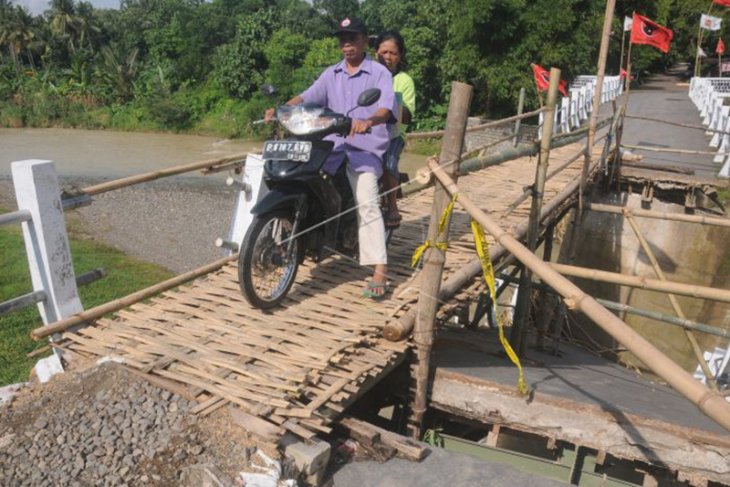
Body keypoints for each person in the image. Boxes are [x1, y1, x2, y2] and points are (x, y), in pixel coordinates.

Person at [264, 17, 396, 300]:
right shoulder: (331, 74)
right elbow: (308, 96)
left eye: (353, 38)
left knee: (366, 200)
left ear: (365, 40)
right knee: (302, 179)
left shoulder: (379, 73)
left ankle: (380, 270)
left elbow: (385, 108)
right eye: (342, 39)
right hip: (332, 145)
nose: (346, 44)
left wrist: (368, 121)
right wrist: (280, 109)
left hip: (364, 147)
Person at [375, 31, 416, 229]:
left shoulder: (403, 80)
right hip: (367, 131)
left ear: (400, 56)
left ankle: (392, 206)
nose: (388, 57)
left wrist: (390, 99)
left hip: (393, 133)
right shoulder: (367, 75)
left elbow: (407, 115)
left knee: (389, 160)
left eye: (393, 53)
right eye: (384, 52)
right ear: (376, 53)